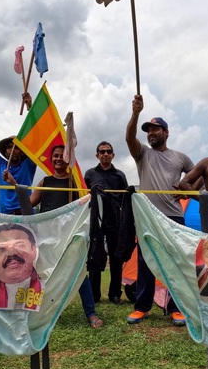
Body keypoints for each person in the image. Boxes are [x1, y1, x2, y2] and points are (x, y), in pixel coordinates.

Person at [125, 94, 195, 326]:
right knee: (145, 263)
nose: (151, 133)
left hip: (174, 217)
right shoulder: (143, 153)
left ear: (166, 132)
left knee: (176, 263)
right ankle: (142, 307)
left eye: (156, 129)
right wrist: (135, 113)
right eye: (148, 130)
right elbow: (129, 137)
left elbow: (199, 175)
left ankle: (177, 308)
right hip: (149, 217)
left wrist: (190, 192)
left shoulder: (180, 157)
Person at [28, 145, 103, 327]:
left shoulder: (75, 182)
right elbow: (30, 203)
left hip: (69, 236)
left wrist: (88, 193)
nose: (58, 158)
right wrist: (14, 184)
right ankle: (41, 313)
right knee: (43, 275)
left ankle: (91, 313)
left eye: (62, 155)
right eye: (55, 155)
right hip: (46, 237)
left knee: (78, 274)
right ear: (51, 158)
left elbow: (86, 203)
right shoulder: (44, 182)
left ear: (68, 159)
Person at [84, 141, 129, 304]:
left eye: (108, 151)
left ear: (113, 155)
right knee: (94, 256)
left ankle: (115, 294)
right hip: (95, 220)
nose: (105, 154)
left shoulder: (120, 175)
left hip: (115, 221)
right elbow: (84, 198)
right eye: (102, 151)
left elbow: (126, 199)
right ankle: (94, 295)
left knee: (116, 258)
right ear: (97, 155)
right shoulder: (89, 174)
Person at [0, 224, 45, 311]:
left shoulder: (50, 280)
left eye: (19, 245)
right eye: (1, 249)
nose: (11, 253)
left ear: (34, 250)